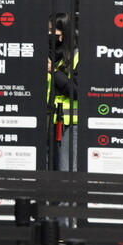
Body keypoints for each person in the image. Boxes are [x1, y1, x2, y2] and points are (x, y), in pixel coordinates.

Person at [47, 12, 78, 172]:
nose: (49, 34)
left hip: (68, 123)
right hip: (47, 121)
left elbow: (76, 90)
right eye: (48, 29)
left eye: (53, 30)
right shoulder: (45, 55)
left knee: (65, 169)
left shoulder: (76, 56)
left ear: (63, 33)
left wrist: (54, 72)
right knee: (47, 169)